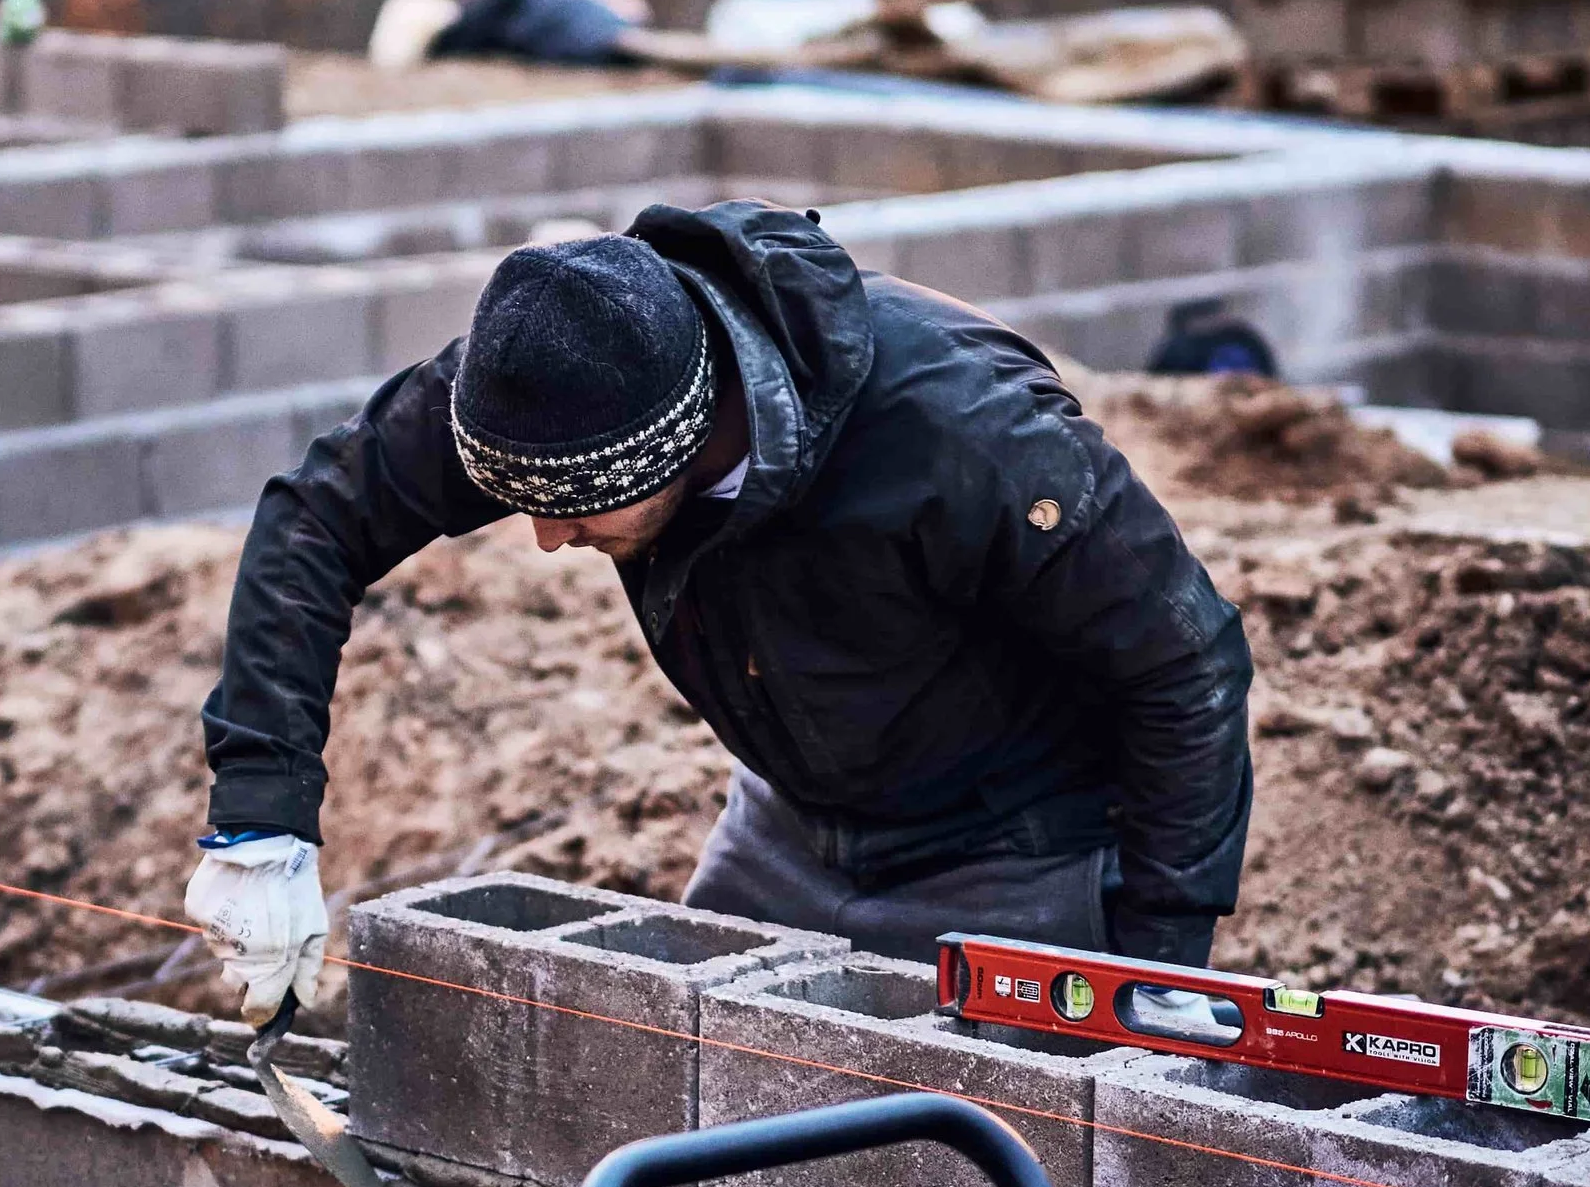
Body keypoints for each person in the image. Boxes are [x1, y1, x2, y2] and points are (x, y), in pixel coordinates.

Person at [184, 202, 1252, 1022]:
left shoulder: (964, 432)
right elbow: (320, 515)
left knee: (983, 1184)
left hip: (1014, 854)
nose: (547, 538)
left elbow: (1184, 660)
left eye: (574, 510)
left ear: (681, 444)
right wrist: (261, 822)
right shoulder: (556, 373)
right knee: (688, 1131)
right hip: (787, 828)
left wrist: (1158, 961)